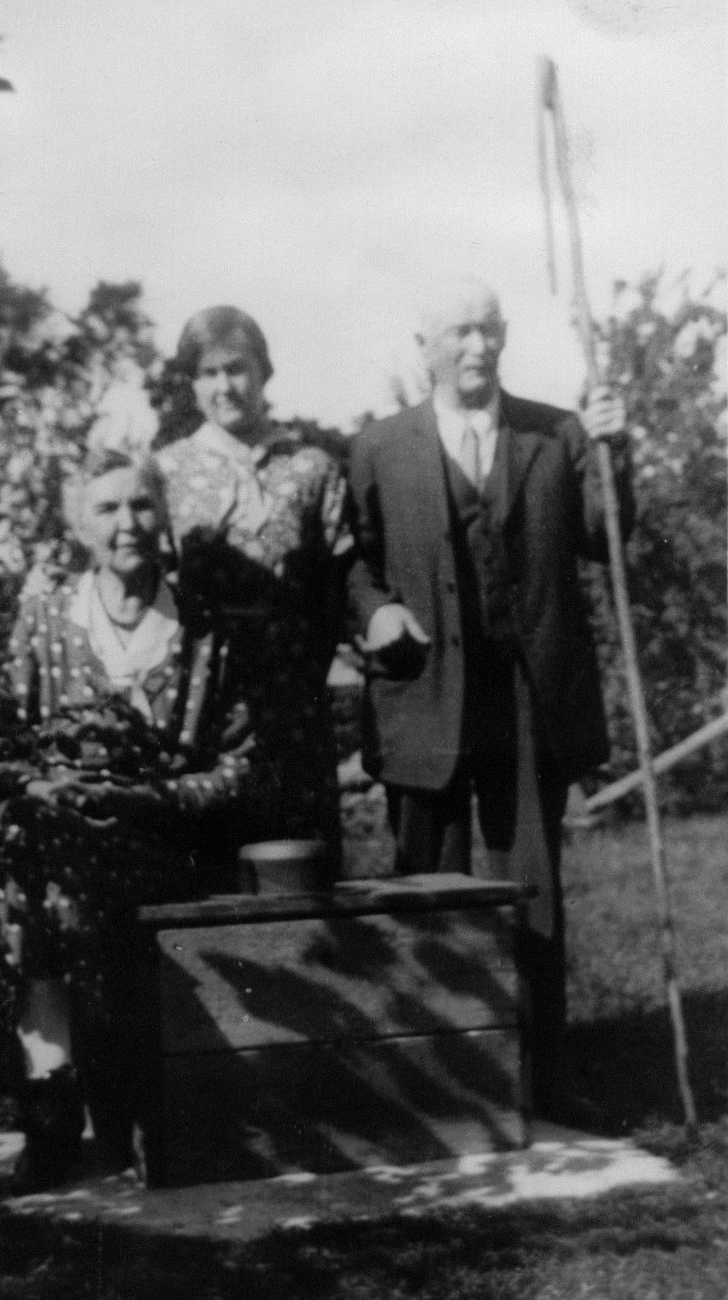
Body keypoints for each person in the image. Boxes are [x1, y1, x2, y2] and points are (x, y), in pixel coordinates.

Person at [346, 277, 634, 1117]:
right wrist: (376, 608)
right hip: (425, 690)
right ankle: (435, 1084)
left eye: (490, 330)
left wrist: (617, 450)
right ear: (425, 347)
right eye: (461, 332)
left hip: (530, 695)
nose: (479, 346)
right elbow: (350, 561)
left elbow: (603, 533)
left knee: (532, 891)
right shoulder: (379, 449)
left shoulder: (558, 433)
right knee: (427, 887)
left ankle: (543, 1080)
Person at [0, 447, 271, 1188]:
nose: (127, 524)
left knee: (61, 880)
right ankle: (59, 1111)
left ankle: (116, 1101)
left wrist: (148, 800)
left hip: (165, 843)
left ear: (164, 515)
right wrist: (46, 790)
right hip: (58, 846)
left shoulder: (203, 630)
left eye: (141, 505)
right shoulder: (49, 619)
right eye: (107, 508)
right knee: (31, 856)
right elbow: (4, 743)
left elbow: (239, 765)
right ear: (81, 525)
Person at [156, 306, 354, 871]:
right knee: (210, 864)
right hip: (202, 705)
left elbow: (337, 583)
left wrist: (308, 665)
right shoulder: (167, 472)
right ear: (192, 384)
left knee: (302, 867)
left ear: (264, 372)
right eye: (209, 373)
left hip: (293, 700)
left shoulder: (312, 466)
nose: (225, 386)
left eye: (237, 369)